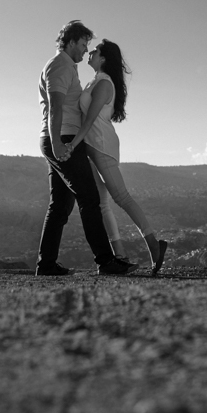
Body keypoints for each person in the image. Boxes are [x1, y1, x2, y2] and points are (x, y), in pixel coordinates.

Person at [36, 21, 137, 277]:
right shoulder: (60, 65)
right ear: (70, 42)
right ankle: (105, 261)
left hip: (59, 138)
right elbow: (56, 106)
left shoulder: (67, 66)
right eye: (82, 45)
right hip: (62, 138)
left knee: (59, 205)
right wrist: (58, 143)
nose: (84, 51)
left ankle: (46, 264)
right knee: (89, 199)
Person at [66, 40, 169, 276]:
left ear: (103, 58)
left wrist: (72, 144)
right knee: (102, 203)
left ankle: (153, 243)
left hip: (101, 146)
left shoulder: (104, 83)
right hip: (91, 146)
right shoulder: (95, 81)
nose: (89, 53)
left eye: (95, 51)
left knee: (121, 197)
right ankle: (119, 256)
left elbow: (90, 119)